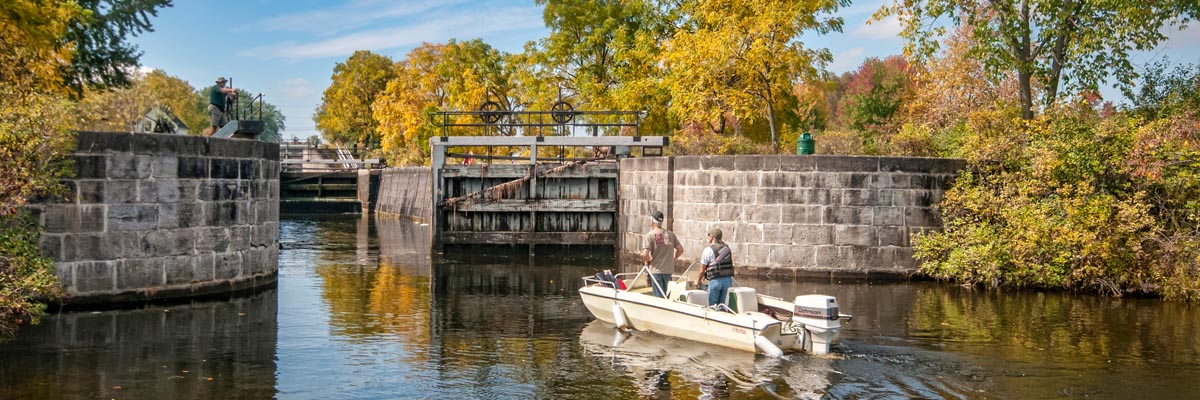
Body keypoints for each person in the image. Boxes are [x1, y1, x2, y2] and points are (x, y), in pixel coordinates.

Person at [642, 210, 683, 298]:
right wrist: (673, 259)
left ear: (652, 221)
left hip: (656, 270)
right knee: (664, 293)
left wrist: (648, 261)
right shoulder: (671, 234)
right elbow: (680, 249)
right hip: (668, 270)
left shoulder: (650, 235)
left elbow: (645, 254)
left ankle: (659, 310)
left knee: (658, 297)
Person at [695, 228, 734, 307]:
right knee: (723, 306)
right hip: (728, 281)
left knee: (712, 307)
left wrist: (698, 281)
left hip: (715, 281)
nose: (708, 237)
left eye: (709, 235)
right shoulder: (727, 249)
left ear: (712, 237)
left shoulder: (708, 250)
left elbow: (702, 270)